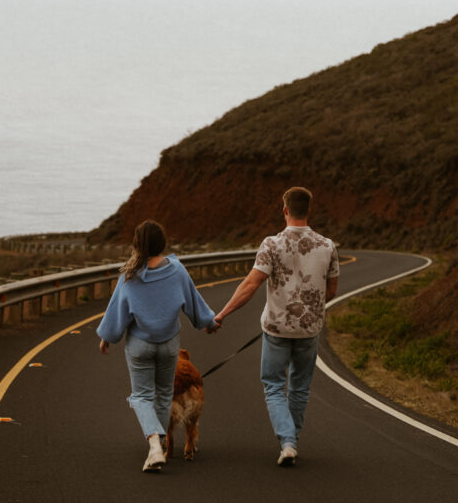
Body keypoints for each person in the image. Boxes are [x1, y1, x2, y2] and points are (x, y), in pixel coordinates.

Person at [214, 187, 339, 466]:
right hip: (309, 329)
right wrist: (309, 311)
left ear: (285, 210)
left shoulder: (271, 244)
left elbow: (250, 285)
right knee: (300, 387)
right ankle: (291, 440)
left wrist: (222, 314)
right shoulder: (328, 246)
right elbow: (331, 290)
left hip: (276, 329)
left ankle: (287, 442)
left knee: (273, 385)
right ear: (309, 210)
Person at [97, 220, 218, 472]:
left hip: (140, 346)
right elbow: (194, 303)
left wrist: (107, 337)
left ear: (137, 244)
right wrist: (208, 322)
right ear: (162, 242)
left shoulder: (129, 275)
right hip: (169, 344)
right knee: (164, 395)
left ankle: (154, 446)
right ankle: (160, 445)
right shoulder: (177, 269)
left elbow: (116, 312)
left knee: (141, 396)